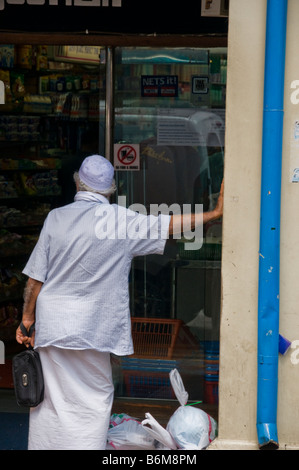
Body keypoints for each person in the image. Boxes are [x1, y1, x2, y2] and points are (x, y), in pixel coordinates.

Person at [16, 154, 224, 450]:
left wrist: (26, 320)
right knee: (94, 399)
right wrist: (213, 214)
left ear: (78, 182)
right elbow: (169, 225)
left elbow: (34, 281)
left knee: (52, 400)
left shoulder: (56, 218)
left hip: (54, 324)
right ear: (111, 189)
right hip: (93, 328)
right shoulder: (121, 220)